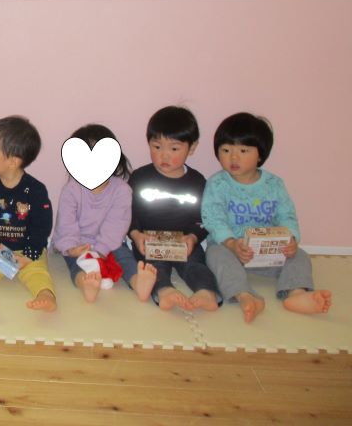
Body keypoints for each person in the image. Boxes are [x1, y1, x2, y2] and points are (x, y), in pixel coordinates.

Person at [203, 112, 332, 323]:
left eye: (243, 151)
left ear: (260, 155)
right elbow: (213, 218)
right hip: (231, 248)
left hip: (268, 249)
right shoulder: (217, 184)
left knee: (300, 256)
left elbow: (286, 214)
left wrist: (290, 239)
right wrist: (232, 243)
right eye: (226, 150)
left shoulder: (274, 184)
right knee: (214, 255)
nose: (233, 157)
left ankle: (296, 293)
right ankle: (245, 295)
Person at [127, 106, 221, 312]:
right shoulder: (140, 178)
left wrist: (193, 238)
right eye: (157, 146)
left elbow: (204, 218)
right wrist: (136, 235)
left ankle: (206, 292)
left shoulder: (197, 182)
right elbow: (127, 212)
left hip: (184, 242)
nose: (164, 155)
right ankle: (164, 291)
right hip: (148, 242)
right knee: (152, 268)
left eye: (174, 149)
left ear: (192, 148)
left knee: (196, 265)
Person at [53, 123, 157, 303]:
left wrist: (101, 251)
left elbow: (117, 224)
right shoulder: (71, 190)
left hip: (110, 243)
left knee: (125, 258)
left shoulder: (121, 190)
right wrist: (71, 247)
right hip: (78, 243)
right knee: (76, 264)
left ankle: (137, 282)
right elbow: (66, 223)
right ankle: (85, 284)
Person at [0, 116, 56, 312]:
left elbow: (42, 226)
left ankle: (45, 295)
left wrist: (30, 255)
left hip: (27, 250)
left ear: (12, 161)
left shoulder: (35, 190)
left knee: (38, 272)